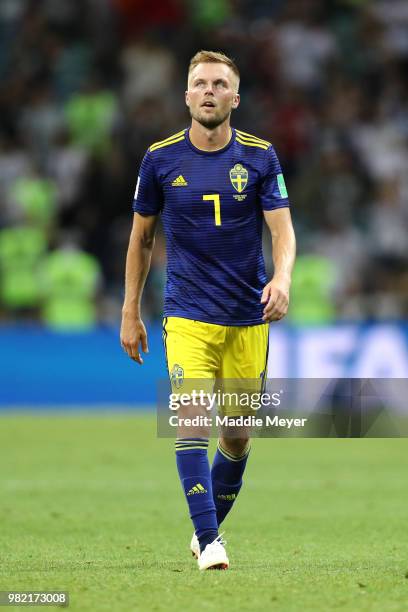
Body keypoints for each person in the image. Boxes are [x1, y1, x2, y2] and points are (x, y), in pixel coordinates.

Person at [120, 50, 296, 570]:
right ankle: (210, 541)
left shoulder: (261, 157)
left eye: (220, 84)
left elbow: (282, 231)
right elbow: (141, 238)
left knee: (237, 436)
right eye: (200, 83)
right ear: (187, 95)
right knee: (191, 418)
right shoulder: (159, 158)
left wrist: (282, 278)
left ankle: (207, 530)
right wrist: (131, 309)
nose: (210, 91)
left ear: (234, 98)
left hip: (247, 317)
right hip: (187, 313)